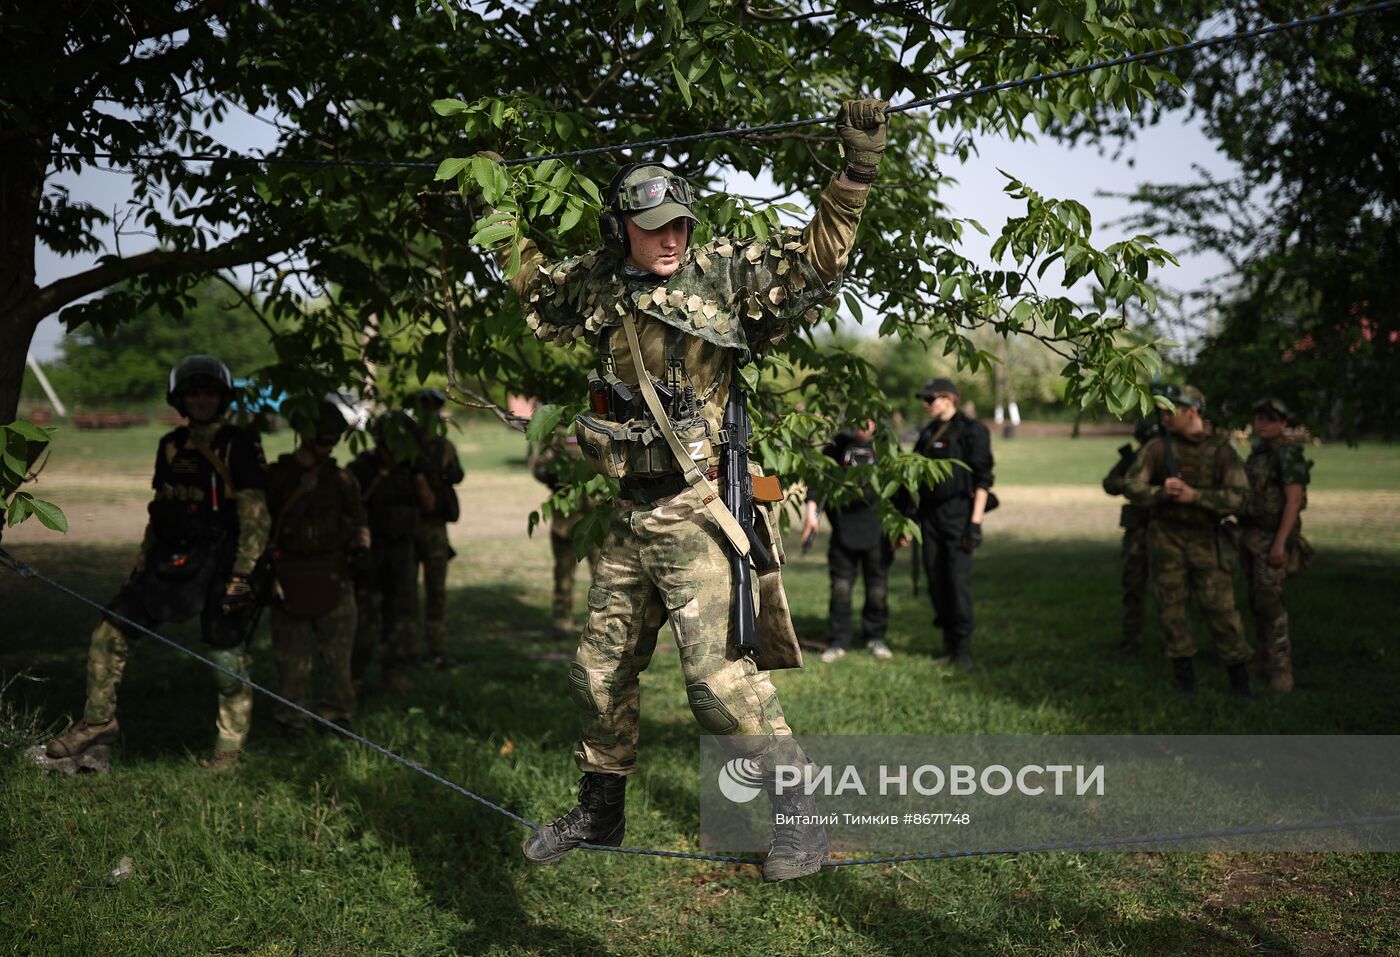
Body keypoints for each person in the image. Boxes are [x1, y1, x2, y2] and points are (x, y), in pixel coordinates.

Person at [487, 97, 888, 881]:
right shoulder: (597, 284)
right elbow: (532, 282)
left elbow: (819, 258)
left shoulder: (724, 274)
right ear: (619, 231)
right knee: (596, 673)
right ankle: (601, 809)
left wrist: (856, 172)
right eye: (653, 227)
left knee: (719, 684)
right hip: (629, 514)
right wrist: (490, 199)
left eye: (679, 223)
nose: (670, 238)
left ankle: (801, 821)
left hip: (699, 509)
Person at [41, 356, 270, 773]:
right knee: (108, 633)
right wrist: (141, 563)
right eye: (193, 393)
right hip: (168, 561)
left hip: (221, 563)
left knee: (226, 658)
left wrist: (243, 573)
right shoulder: (169, 445)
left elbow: (256, 515)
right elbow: (160, 510)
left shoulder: (240, 443)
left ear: (222, 398)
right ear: (180, 400)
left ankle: (228, 751)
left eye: (209, 392)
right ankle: (98, 723)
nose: (201, 400)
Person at [1123, 385, 1254, 697]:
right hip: (1166, 540)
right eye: (1163, 410)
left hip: (1208, 541)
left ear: (1192, 411)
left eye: (1171, 410)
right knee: (1172, 612)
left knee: (1222, 612)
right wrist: (1159, 492)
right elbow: (1129, 484)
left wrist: (1196, 497)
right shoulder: (1157, 448)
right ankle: (1185, 683)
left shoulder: (1221, 451)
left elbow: (1241, 497)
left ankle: (1241, 684)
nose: (1165, 416)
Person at [265, 399, 369, 738]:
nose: (328, 441)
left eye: (333, 436)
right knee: (292, 662)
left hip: (334, 576)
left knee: (338, 661)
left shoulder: (342, 479)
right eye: (322, 435)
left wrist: (360, 551)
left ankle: (337, 719)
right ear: (303, 433)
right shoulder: (277, 477)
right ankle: (292, 723)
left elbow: (359, 525)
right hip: (288, 577)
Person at [909, 378, 994, 669]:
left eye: (930, 398)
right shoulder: (928, 432)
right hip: (929, 516)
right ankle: (948, 642)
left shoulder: (973, 431)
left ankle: (963, 649)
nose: (925, 403)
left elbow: (983, 478)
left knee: (957, 582)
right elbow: (914, 474)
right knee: (936, 579)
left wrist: (975, 523)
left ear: (949, 398)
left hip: (959, 513)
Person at [348, 413, 433, 694]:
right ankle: (355, 675)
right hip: (372, 550)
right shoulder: (362, 469)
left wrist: (417, 472)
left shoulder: (411, 470)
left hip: (402, 550)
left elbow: (429, 505)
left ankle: (393, 671)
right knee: (365, 616)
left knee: (400, 614)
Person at [800, 418, 895, 662]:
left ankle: (876, 637)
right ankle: (838, 641)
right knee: (841, 588)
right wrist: (811, 516)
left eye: (869, 420)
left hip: (877, 529)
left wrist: (902, 527)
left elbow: (901, 487)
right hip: (844, 529)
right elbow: (817, 482)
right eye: (857, 420)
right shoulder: (835, 446)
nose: (863, 426)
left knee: (877, 589)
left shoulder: (886, 446)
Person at [1241, 397, 1313, 693]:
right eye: (1259, 418)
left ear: (1283, 423)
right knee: (1257, 600)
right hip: (1252, 535)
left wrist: (1280, 544)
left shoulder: (1287, 455)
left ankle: (1282, 670)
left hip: (1273, 537)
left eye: (1270, 419)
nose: (1263, 424)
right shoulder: (1259, 454)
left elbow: (1294, 501)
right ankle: (1264, 657)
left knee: (1270, 602)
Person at [528, 423, 601, 640]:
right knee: (563, 574)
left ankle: (600, 627)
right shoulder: (557, 436)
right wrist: (557, 475)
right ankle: (562, 624)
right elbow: (540, 470)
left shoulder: (597, 429)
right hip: (565, 519)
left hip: (594, 521)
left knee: (601, 577)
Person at [411, 389, 465, 668]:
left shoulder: (444, 447)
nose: (430, 414)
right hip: (407, 528)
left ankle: (436, 649)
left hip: (434, 527)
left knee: (436, 592)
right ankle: (404, 652)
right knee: (405, 593)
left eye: (433, 409)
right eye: (425, 408)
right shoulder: (404, 445)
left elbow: (457, 474)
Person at [1101, 418, 1158, 657]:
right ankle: (1132, 640)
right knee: (1133, 587)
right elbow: (1109, 483)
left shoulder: (1166, 457)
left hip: (1166, 530)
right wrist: (1131, 486)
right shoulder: (1132, 460)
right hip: (1137, 532)